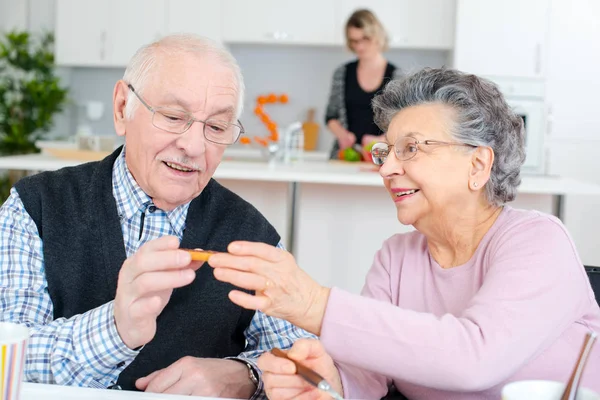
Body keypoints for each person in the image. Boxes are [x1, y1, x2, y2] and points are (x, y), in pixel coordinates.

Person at [207, 68, 600, 399]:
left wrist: (316, 306)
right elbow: (368, 375)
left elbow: (475, 358)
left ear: (478, 165)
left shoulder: (538, 241)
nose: (386, 168)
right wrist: (326, 381)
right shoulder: (397, 257)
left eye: (411, 148)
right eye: (387, 150)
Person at [0, 34, 314, 399]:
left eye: (215, 127)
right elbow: (8, 356)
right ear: (122, 108)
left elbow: (304, 365)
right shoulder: (34, 208)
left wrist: (247, 376)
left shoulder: (253, 236)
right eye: (173, 117)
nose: (194, 146)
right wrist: (117, 329)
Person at [325, 9, 402, 159]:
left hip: (381, 156)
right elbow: (330, 116)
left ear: (377, 36)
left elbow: (403, 121)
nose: (359, 47)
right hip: (345, 156)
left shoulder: (396, 76)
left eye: (365, 39)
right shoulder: (342, 73)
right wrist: (342, 135)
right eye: (354, 41)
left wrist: (380, 140)